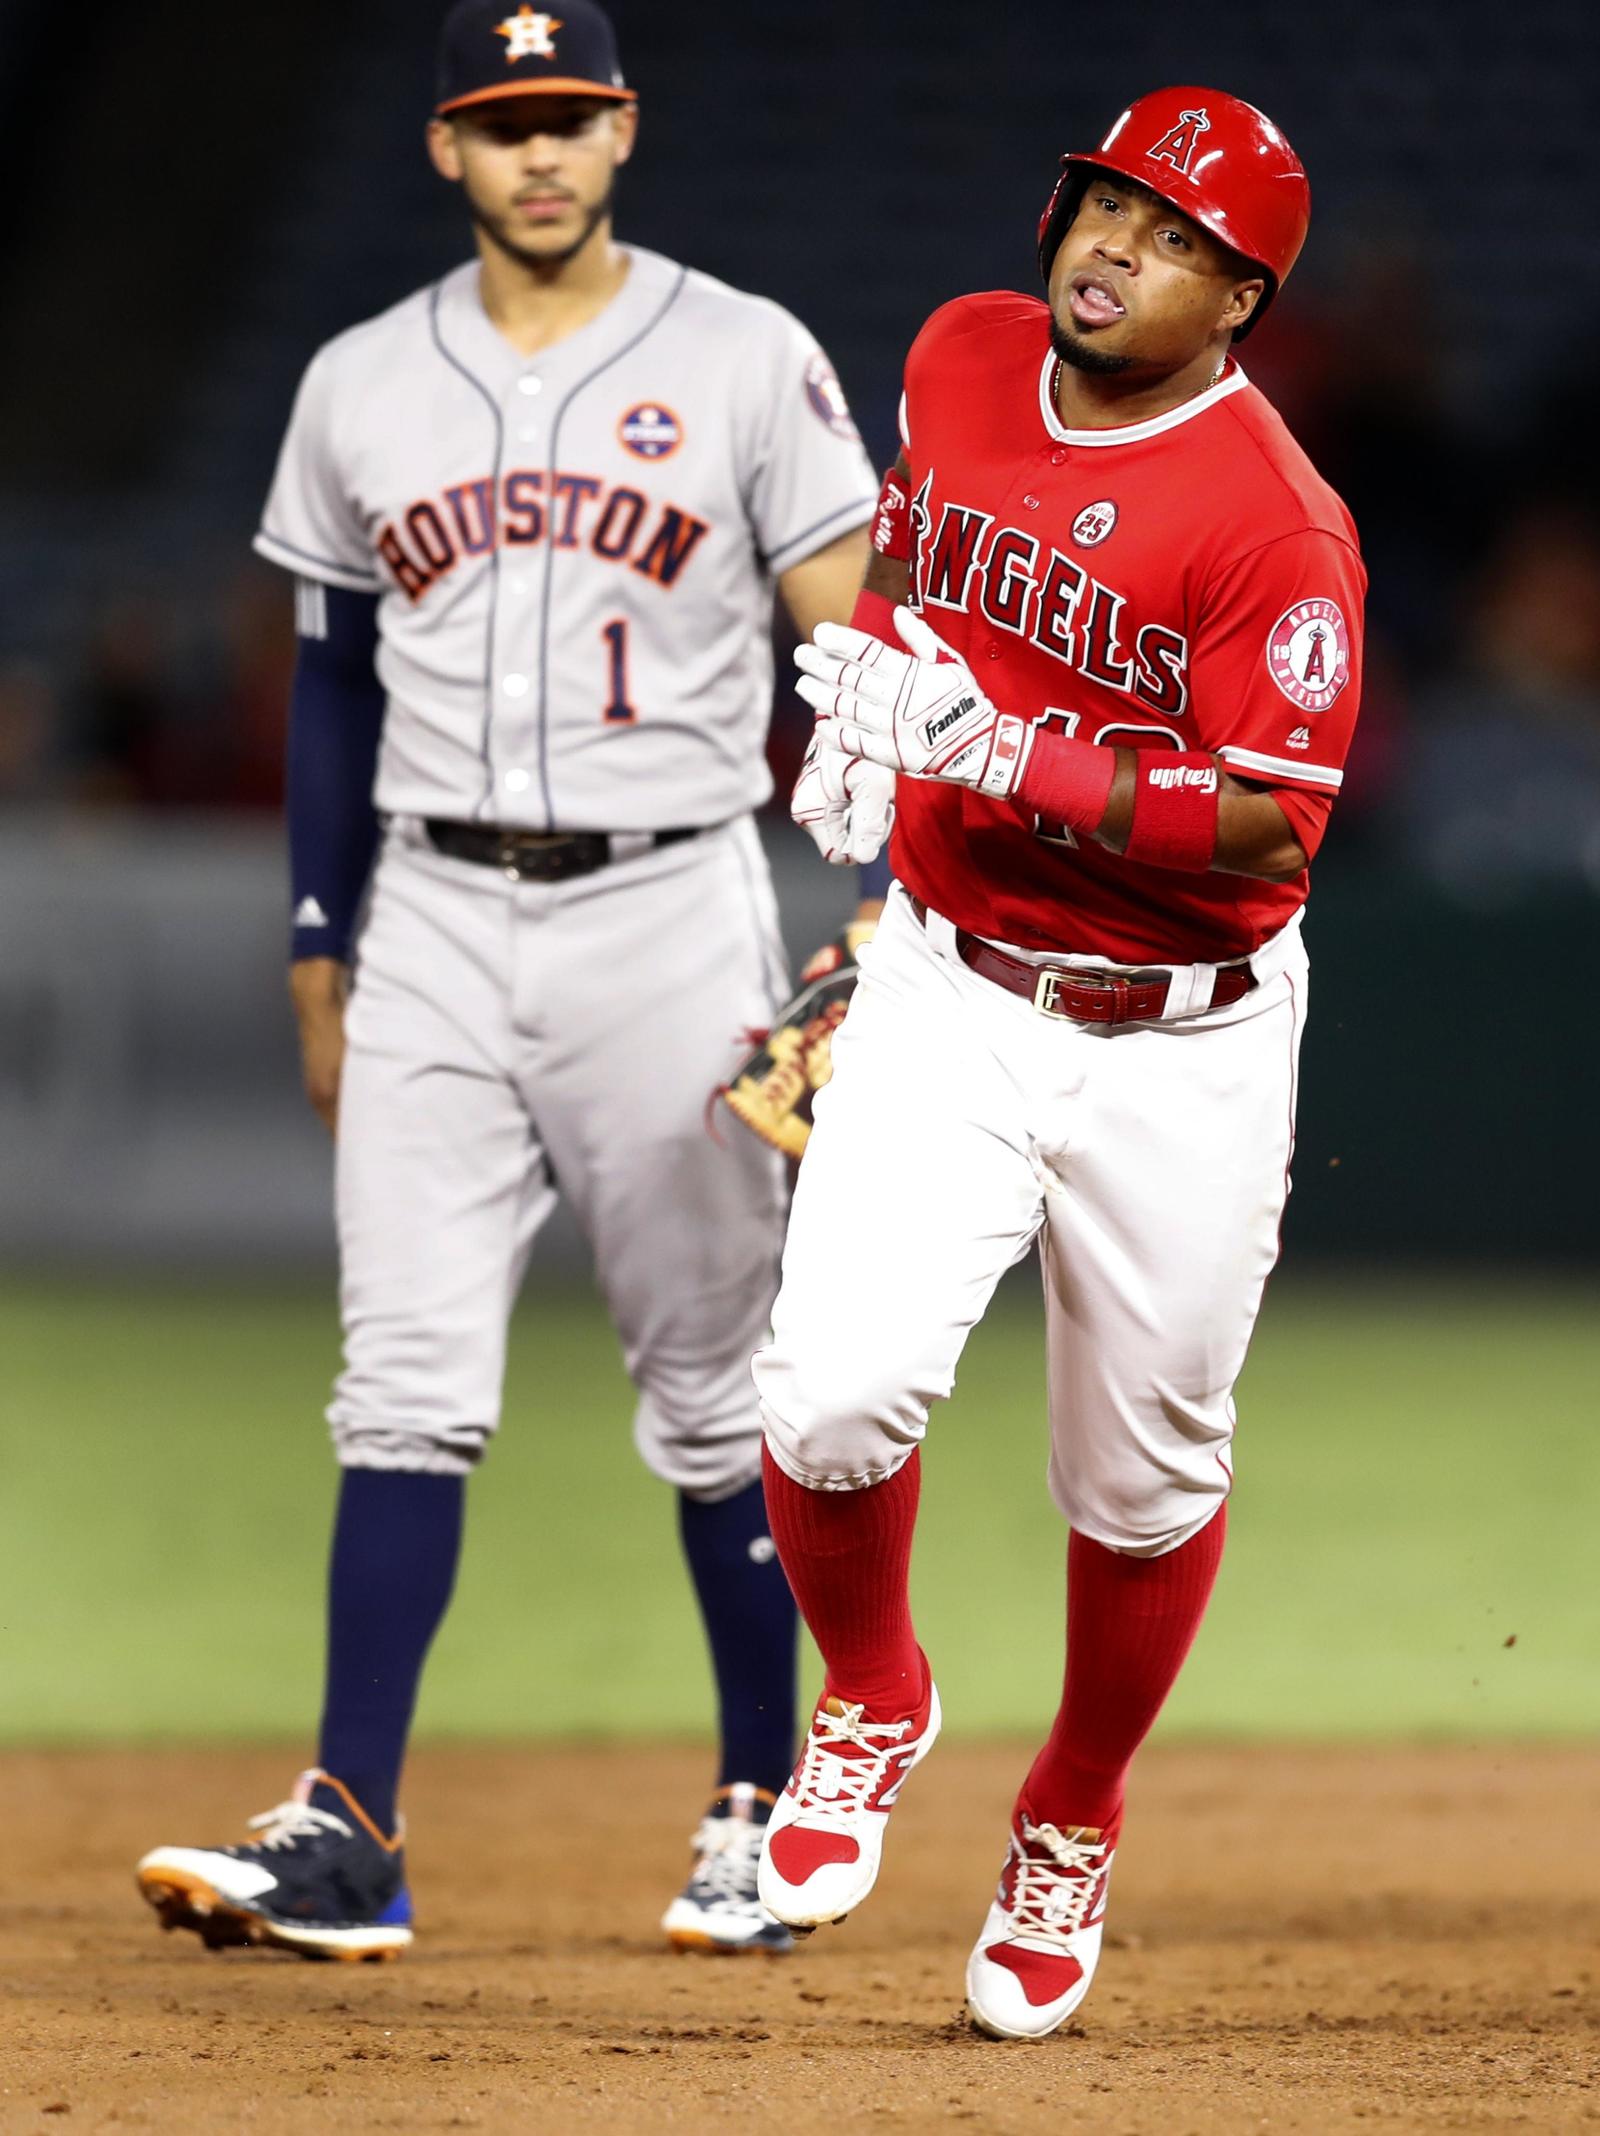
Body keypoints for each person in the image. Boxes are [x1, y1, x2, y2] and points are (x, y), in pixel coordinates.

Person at [135, 0, 881, 1962]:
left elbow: (852, 642)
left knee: (717, 1399)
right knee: (397, 1385)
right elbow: (328, 682)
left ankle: (760, 1806)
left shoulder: (743, 356)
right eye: (498, 121)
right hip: (438, 923)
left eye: (567, 117)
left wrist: (907, 883)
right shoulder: (360, 381)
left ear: (623, 129)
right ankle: (348, 1830)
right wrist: (320, 944)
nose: (536, 153)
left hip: (670, 910)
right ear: (442, 150)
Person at [750, 87, 1365, 2038]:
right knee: (828, 1393)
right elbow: (929, 582)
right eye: (1102, 201)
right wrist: (882, 707)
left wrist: (1010, 756)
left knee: (1139, 1480)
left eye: (1172, 234)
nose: (1112, 245)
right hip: (945, 979)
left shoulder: (1273, 526)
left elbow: (1274, 826)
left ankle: (1068, 1814)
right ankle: (870, 1692)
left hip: (1177, 1041)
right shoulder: (956, 351)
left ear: (1240, 296)